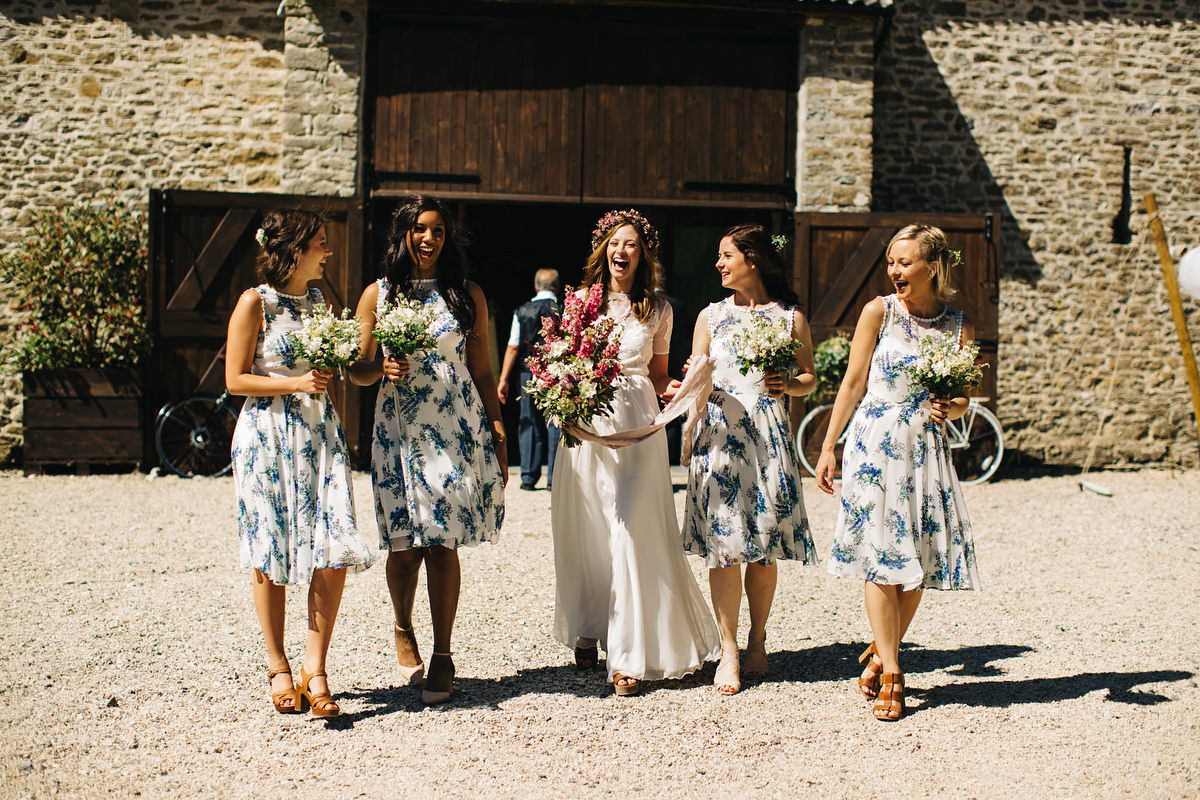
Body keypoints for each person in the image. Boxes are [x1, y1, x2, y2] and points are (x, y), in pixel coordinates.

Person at [814, 223, 980, 721]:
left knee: (919, 560)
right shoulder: (878, 312)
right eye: (890, 262)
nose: (894, 271)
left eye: (904, 262)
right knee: (882, 556)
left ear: (932, 267)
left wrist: (949, 408)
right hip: (873, 445)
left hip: (925, 451)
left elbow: (963, 400)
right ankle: (893, 672)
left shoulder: (959, 328)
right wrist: (828, 446)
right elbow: (852, 382)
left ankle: (880, 649)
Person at [551, 209, 720, 697]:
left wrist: (688, 384)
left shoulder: (659, 309)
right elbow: (564, 359)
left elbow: (660, 375)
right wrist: (558, 393)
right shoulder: (580, 303)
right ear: (601, 249)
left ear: (643, 253)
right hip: (588, 422)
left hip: (639, 422)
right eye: (613, 243)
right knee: (590, 529)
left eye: (630, 244)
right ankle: (590, 625)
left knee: (630, 526)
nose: (620, 251)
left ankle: (628, 655)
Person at [350, 194, 507, 706]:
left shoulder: (466, 294)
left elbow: (483, 371)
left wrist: (498, 431)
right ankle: (401, 625)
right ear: (403, 235)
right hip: (398, 431)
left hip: (454, 427)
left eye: (438, 230)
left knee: (443, 542)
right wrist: (382, 369)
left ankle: (443, 654)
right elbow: (357, 368)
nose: (429, 239)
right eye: (420, 229)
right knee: (403, 546)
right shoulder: (380, 295)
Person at [226, 208, 376, 717]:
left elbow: (336, 366)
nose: (329, 251)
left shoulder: (317, 301)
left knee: (333, 546)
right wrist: (294, 382)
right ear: (294, 250)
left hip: (320, 434)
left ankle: (316, 669)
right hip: (267, 437)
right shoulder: (255, 304)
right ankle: (278, 666)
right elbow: (234, 379)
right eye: (321, 243)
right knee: (271, 551)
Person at [680, 224, 818, 696]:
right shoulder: (709, 316)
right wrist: (682, 390)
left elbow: (809, 379)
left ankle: (758, 639)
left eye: (726, 255)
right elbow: (695, 375)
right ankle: (730, 650)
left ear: (752, 260)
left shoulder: (790, 317)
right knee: (724, 545)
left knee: (762, 546)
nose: (718, 264)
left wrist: (788, 383)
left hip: (767, 434)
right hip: (718, 435)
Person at [497, 269, 562, 490]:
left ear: (536, 287)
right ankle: (556, 477)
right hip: (558, 373)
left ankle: (528, 477)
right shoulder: (562, 309)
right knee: (557, 423)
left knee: (529, 423)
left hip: (528, 372)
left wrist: (503, 379)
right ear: (557, 287)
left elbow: (514, 346)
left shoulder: (522, 311)